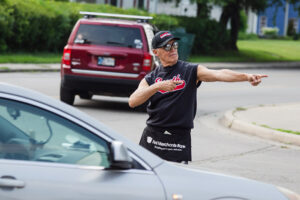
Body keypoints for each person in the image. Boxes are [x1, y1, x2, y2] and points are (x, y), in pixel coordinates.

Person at [128, 31, 268, 164]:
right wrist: (157, 87)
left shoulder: (190, 70)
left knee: (176, 183)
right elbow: (133, 101)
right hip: (153, 137)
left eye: (174, 45)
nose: (172, 49)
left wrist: (247, 77)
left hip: (178, 139)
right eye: (167, 46)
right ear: (155, 52)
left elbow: (219, 74)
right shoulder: (151, 78)